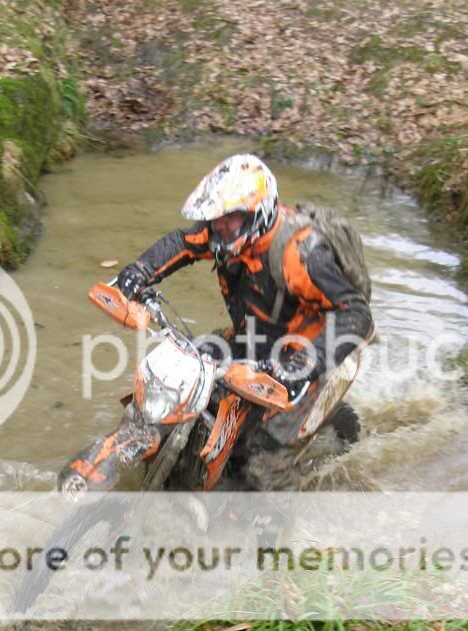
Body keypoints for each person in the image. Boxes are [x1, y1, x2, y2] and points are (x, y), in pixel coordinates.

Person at [114, 153, 373, 443]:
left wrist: (304, 365)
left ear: (256, 212)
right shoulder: (223, 233)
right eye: (215, 218)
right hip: (253, 338)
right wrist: (139, 271)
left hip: (302, 353)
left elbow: (357, 314)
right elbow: (181, 243)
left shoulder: (299, 253)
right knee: (183, 381)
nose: (219, 225)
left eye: (230, 217)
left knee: (260, 452)